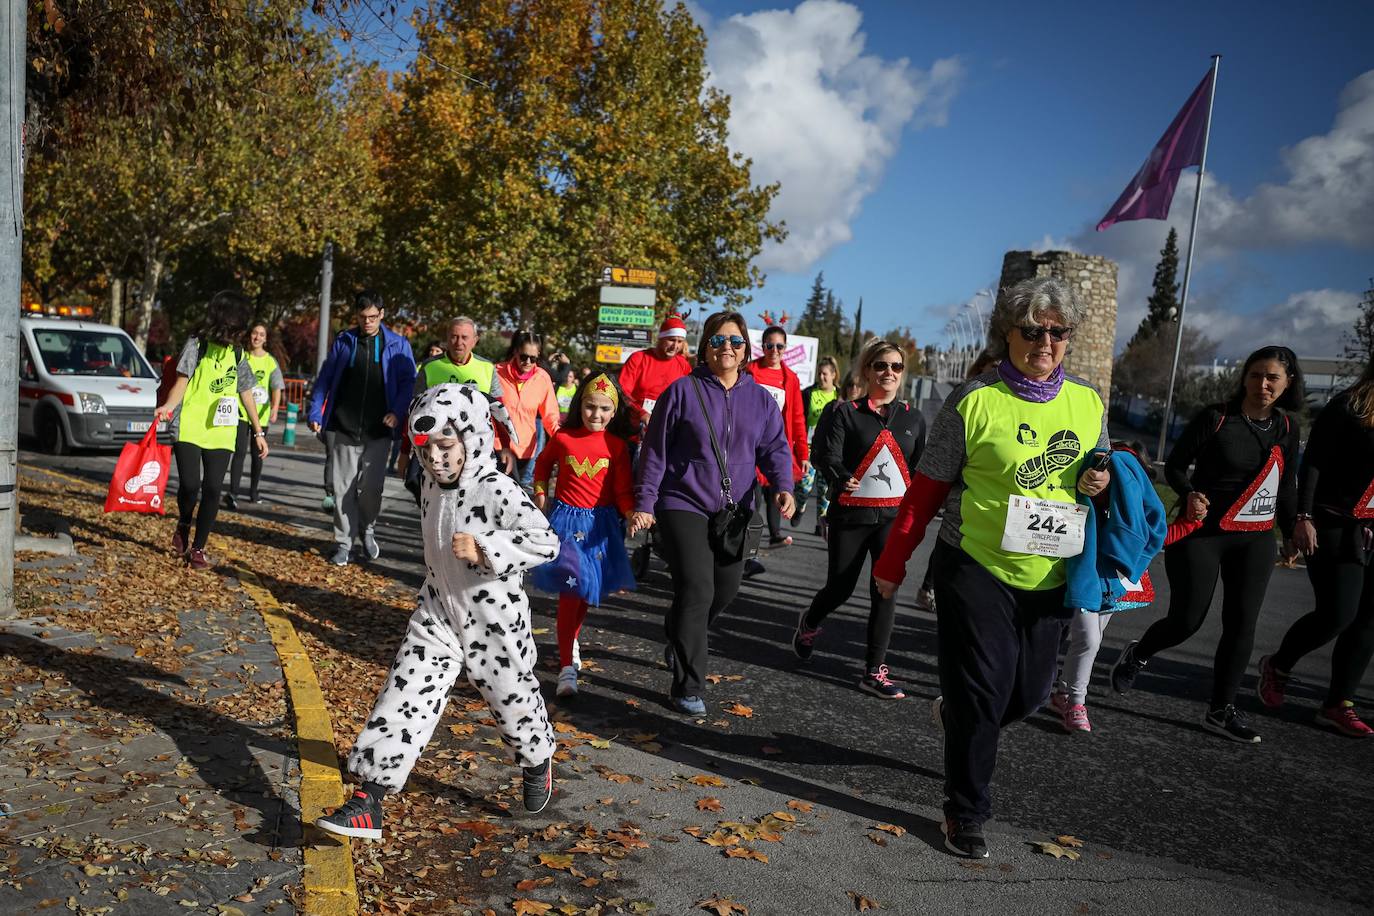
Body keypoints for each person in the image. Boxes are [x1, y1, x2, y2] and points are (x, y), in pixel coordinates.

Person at [871, 277, 1109, 859]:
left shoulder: (1087, 401)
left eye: (1057, 332)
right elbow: (923, 494)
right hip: (974, 566)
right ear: (1007, 334)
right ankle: (965, 811)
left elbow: (1099, 472)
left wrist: (1098, 480)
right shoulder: (973, 400)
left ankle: (956, 716)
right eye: (1032, 331)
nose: (1045, 342)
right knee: (984, 691)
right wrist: (894, 562)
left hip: (1049, 572)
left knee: (1026, 696)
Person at [315, 384, 561, 840]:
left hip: (495, 620)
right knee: (403, 696)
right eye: (425, 450)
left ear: (471, 438)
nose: (435, 460)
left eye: (446, 447)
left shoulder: (496, 488)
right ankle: (370, 798)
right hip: (439, 612)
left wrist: (488, 547)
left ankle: (536, 757)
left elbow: (546, 541)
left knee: (512, 701)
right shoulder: (429, 484)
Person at [1111, 346, 1303, 744]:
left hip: (1256, 539)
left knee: (1241, 624)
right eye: (1255, 375)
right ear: (1243, 378)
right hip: (1202, 533)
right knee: (1187, 620)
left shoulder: (1287, 427)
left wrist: (1292, 530)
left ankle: (1220, 711)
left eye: (1272, 378)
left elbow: (1285, 485)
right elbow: (1176, 465)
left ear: (1288, 384)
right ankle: (1139, 653)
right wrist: (1190, 492)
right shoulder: (1216, 418)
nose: (1262, 385)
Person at [633, 310, 796, 715]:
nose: (727, 347)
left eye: (736, 341)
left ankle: (677, 631)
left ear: (745, 350)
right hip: (681, 501)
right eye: (719, 341)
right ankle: (688, 685)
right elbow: (655, 451)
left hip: (736, 509)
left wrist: (784, 485)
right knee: (698, 589)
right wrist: (645, 502)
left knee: (726, 589)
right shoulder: (682, 391)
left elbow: (775, 447)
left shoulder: (759, 399)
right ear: (705, 347)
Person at [793, 339, 925, 699]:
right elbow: (824, 453)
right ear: (866, 370)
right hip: (851, 515)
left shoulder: (913, 417)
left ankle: (874, 670)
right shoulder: (845, 412)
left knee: (886, 589)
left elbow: (920, 468)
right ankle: (810, 621)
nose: (889, 373)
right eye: (881, 365)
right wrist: (841, 474)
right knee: (840, 587)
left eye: (896, 367)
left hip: (891, 519)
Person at [1254, 360, 1374, 737]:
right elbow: (1314, 465)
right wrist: (1302, 517)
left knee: (1368, 622)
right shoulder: (1348, 406)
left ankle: (1338, 704)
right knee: (1338, 613)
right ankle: (1279, 665)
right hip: (1335, 522)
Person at [1051, 442, 1191, 733]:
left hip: (1111, 584)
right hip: (1088, 578)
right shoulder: (1082, 496)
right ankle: (1077, 702)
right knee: (1088, 639)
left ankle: (1063, 693)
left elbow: (1155, 536)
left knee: (1090, 638)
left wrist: (1191, 524)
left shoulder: (1131, 509)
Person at [531, 373, 640, 698]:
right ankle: (566, 667)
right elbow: (542, 465)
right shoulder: (564, 438)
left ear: (614, 411)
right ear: (581, 406)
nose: (596, 414)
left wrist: (631, 513)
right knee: (571, 590)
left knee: (585, 592)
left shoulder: (617, 446)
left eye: (605, 409)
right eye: (591, 407)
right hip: (566, 524)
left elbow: (621, 490)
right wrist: (540, 492)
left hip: (600, 529)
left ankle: (571, 641)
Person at [154, 291, 270, 570]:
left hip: (222, 430)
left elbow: (246, 392)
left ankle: (198, 548)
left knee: (213, 489)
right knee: (191, 485)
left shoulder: (238, 352)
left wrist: (258, 432)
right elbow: (181, 382)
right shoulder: (197, 345)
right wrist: (168, 407)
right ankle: (183, 521)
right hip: (190, 426)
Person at [308, 291, 417, 566]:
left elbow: (408, 384)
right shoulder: (345, 341)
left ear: (381, 314)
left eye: (372, 317)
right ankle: (343, 543)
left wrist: (397, 412)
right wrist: (315, 410)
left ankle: (367, 528)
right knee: (342, 488)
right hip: (344, 426)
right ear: (356, 316)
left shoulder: (398, 345)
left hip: (379, 430)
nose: (367, 322)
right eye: (362, 317)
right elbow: (325, 378)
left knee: (371, 489)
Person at [401, 317, 513, 498]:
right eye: (453, 337)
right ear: (447, 338)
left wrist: (506, 447)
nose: (458, 342)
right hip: (436, 451)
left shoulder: (487, 368)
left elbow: (498, 410)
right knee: (420, 488)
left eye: (464, 337)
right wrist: (405, 451)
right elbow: (414, 413)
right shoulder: (430, 367)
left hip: (473, 452)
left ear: (475, 340)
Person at [745, 325, 807, 550]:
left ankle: (775, 534)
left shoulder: (790, 378)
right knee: (753, 499)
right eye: (769, 345)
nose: (774, 350)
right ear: (762, 347)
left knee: (777, 490)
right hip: (748, 445)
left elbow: (798, 418)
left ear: (785, 348)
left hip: (774, 445)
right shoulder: (750, 372)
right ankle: (748, 549)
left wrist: (803, 454)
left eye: (779, 346)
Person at [225, 323, 284, 508]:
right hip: (241, 414)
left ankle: (253, 492)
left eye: (261, 334)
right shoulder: (242, 356)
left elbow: (276, 387)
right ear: (250, 335)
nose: (257, 337)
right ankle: (233, 493)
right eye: (254, 333)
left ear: (266, 339)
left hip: (262, 415)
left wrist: (274, 408)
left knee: (258, 455)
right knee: (239, 453)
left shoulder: (270, 361)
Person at [497, 331, 560, 489]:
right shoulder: (496, 372)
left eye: (533, 358)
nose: (527, 362)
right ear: (516, 351)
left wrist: (562, 441)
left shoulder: (542, 378)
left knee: (518, 495)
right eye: (524, 356)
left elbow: (551, 416)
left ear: (538, 355)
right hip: (498, 447)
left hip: (526, 448)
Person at [619, 314, 693, 430]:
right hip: (634, 430)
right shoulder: (638, 358)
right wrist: (641, 414)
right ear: (661, 338)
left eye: (680, 341)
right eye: (671, 340)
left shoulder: (684, 365)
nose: (675, 346)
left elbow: (688, 399)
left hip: (668, 430)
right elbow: (622, 392)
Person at [792, 357, 839, 528]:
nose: (822, 377)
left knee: (824, 489)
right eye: (819, 374)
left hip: (829, 450)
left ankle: (821, 522)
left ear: (834, 375)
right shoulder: (809, 393)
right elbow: (800, 418)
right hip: (810, 448)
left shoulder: (838, 396)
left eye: (825, 374)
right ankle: (801, 508)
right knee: (804, 486)